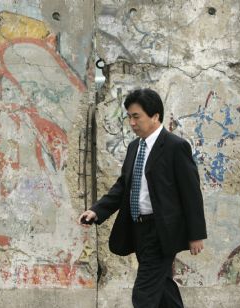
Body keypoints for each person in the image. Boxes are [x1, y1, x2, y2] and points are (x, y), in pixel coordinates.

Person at [78, 88, 207, 308]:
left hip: (162, 231)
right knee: (163, 287)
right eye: (129, 117)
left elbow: (191, 193)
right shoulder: (134, 147)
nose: (132, 123)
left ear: (155, 116)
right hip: (139, 229)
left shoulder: (175, 147)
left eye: (136, 116)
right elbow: (123, 187)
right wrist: (97, 211)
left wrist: (196, 234)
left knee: (144, 293)